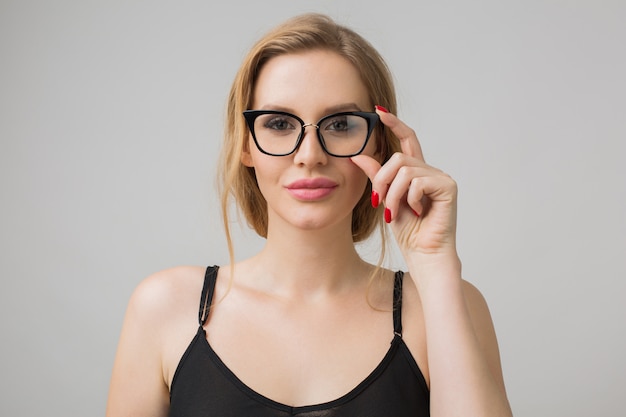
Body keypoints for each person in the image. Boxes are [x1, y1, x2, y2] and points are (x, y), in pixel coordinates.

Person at [106, 13, 513, 417]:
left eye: (340, 124)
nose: (309, 156)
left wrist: (435, 263)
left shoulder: (447, 305)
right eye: (280, 123)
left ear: (380, 145)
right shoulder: (164, 308)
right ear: (245, 145)